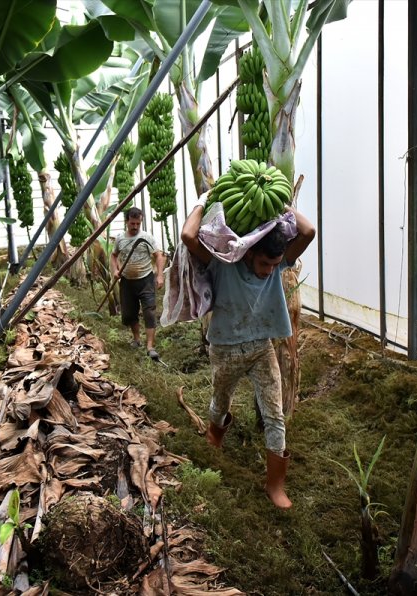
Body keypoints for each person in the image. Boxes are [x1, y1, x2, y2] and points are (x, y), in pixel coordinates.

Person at [180, 201, 316, 509]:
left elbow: (308, 232)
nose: (270, 271)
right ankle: (214, 436)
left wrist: (285, 207)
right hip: (225, 348)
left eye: (275, 265)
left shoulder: (278, 264)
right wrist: (204, 201)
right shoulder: (223, 263)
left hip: (260, 348)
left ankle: (275, 484)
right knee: (220, 401)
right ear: (250, 253)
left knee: (274, 414)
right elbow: (189, 237)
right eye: (265, 264)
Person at [111, 207, 166, 360]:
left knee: (149, 311)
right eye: (132, 223)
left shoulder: (146, 238)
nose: (135, 227)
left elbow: (158, 256)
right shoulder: (120, 239)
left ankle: (150, 346)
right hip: (127, 281)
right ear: (126, 222)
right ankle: (137, 339)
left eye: (138, 224)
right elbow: (114, 255)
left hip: (145, 279)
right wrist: (115, 271)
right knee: (130, 313)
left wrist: (160, 275)